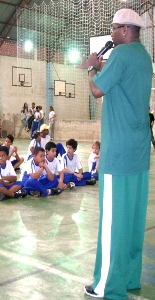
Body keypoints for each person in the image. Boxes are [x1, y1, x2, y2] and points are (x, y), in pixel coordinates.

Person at [84, 9, 153, 299]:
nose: (111, 33)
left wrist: (90, 68)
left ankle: (107, 286)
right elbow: (121, 81)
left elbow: (98, 90)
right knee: (133, 221)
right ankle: (128, 278)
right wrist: (103, 67)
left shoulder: (122, 55)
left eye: (114, 28)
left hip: (118, 155)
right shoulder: (143, 57)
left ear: (125, 30)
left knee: (112, 224)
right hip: (139, 154)